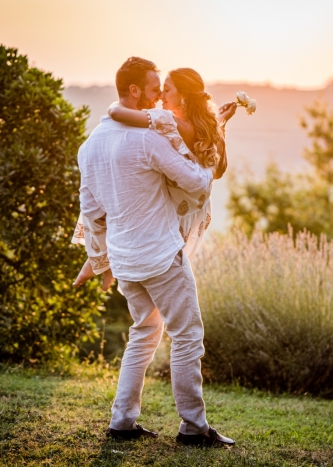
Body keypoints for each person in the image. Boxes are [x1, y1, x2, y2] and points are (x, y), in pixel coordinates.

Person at [76, 56, 235, 447]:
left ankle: (122, 422)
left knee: (143, 333)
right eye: (152, 87)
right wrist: (211, 159)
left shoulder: (90, 145)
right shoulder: (148, 138)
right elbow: (195, 182)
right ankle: (194, 428)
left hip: (127, 261)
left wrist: (100, 262)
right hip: (162, 258)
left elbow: (92, 213)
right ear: (134, 91)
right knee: (187, 336)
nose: (157, 95)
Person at [72, 68, 237, 290]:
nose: (160, 96)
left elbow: (118, 114)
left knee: (109, 192)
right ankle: (100, 258)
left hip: (177, 197)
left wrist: (114, 105)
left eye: (166, 90)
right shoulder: (205, 127)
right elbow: (218, 170)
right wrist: (219, 125)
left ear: (184, 96)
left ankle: (100, 258)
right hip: (188, 199)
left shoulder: (167, 120)